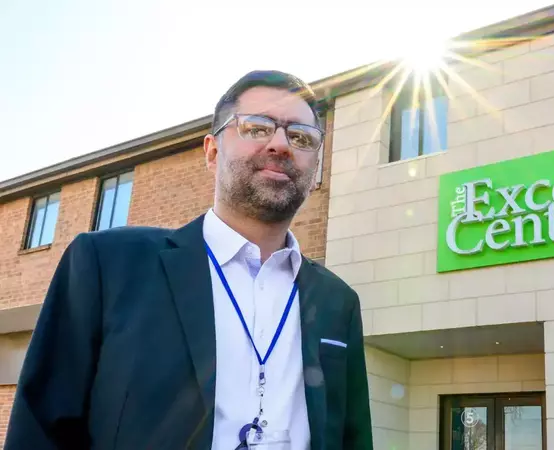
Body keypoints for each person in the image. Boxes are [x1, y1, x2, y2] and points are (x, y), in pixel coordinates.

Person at [5, 70, 373, 450]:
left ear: (315, 167)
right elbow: (39, 430)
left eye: (301, 137)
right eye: (257, 128)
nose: (280, 144)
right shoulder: (107, 266)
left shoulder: (337, 301)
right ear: (212, 152)